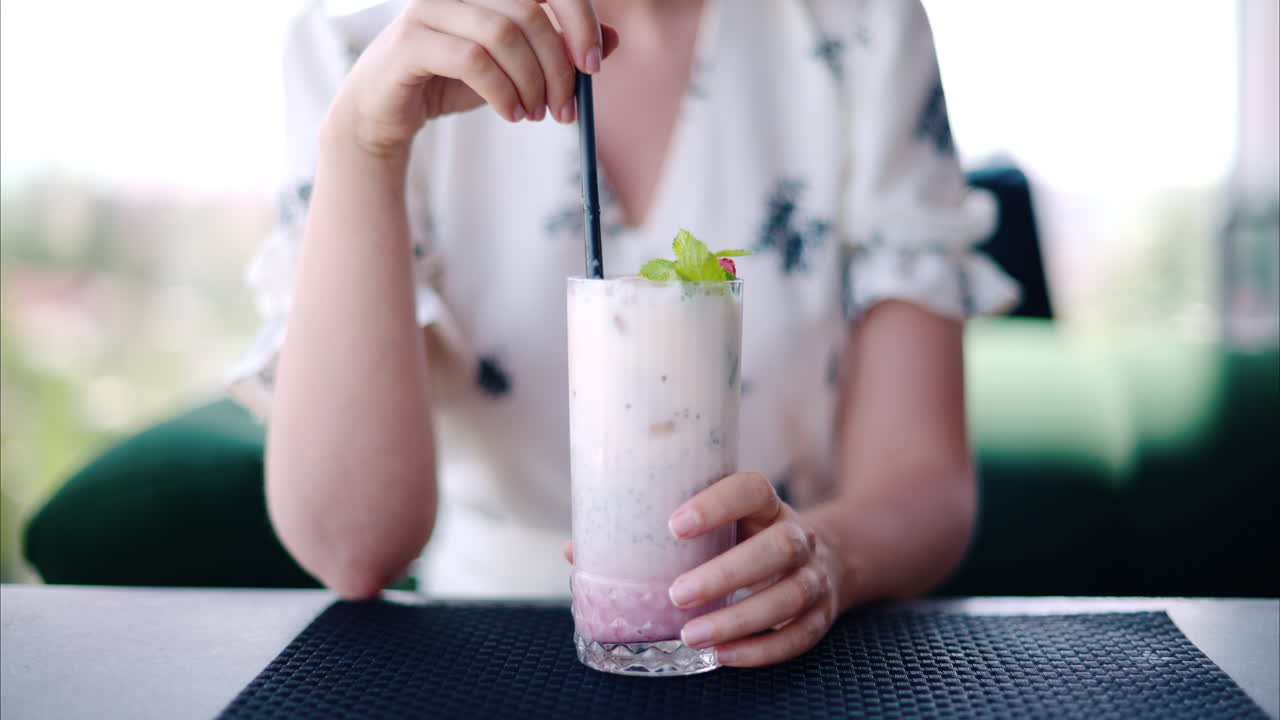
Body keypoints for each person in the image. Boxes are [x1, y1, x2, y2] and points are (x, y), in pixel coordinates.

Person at [228, 0, 1019, 668]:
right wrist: (365, 145)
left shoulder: (862, 23)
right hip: (482, 659)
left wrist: (825, 559)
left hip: (771, 653)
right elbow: (353, 550)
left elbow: (921, 480)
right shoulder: (365, 33)